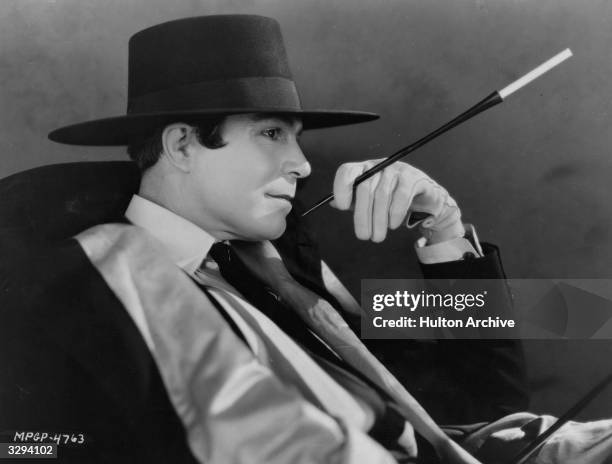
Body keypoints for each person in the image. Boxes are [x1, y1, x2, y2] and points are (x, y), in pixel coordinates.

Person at [1, 14, 610, 464]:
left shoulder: (285, 260)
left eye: (296, 137)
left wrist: (443, 232)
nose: (301, 164)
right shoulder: (76, 293)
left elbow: (475, 404)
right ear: (181, 144)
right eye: (271, 134)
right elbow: (33, 446)